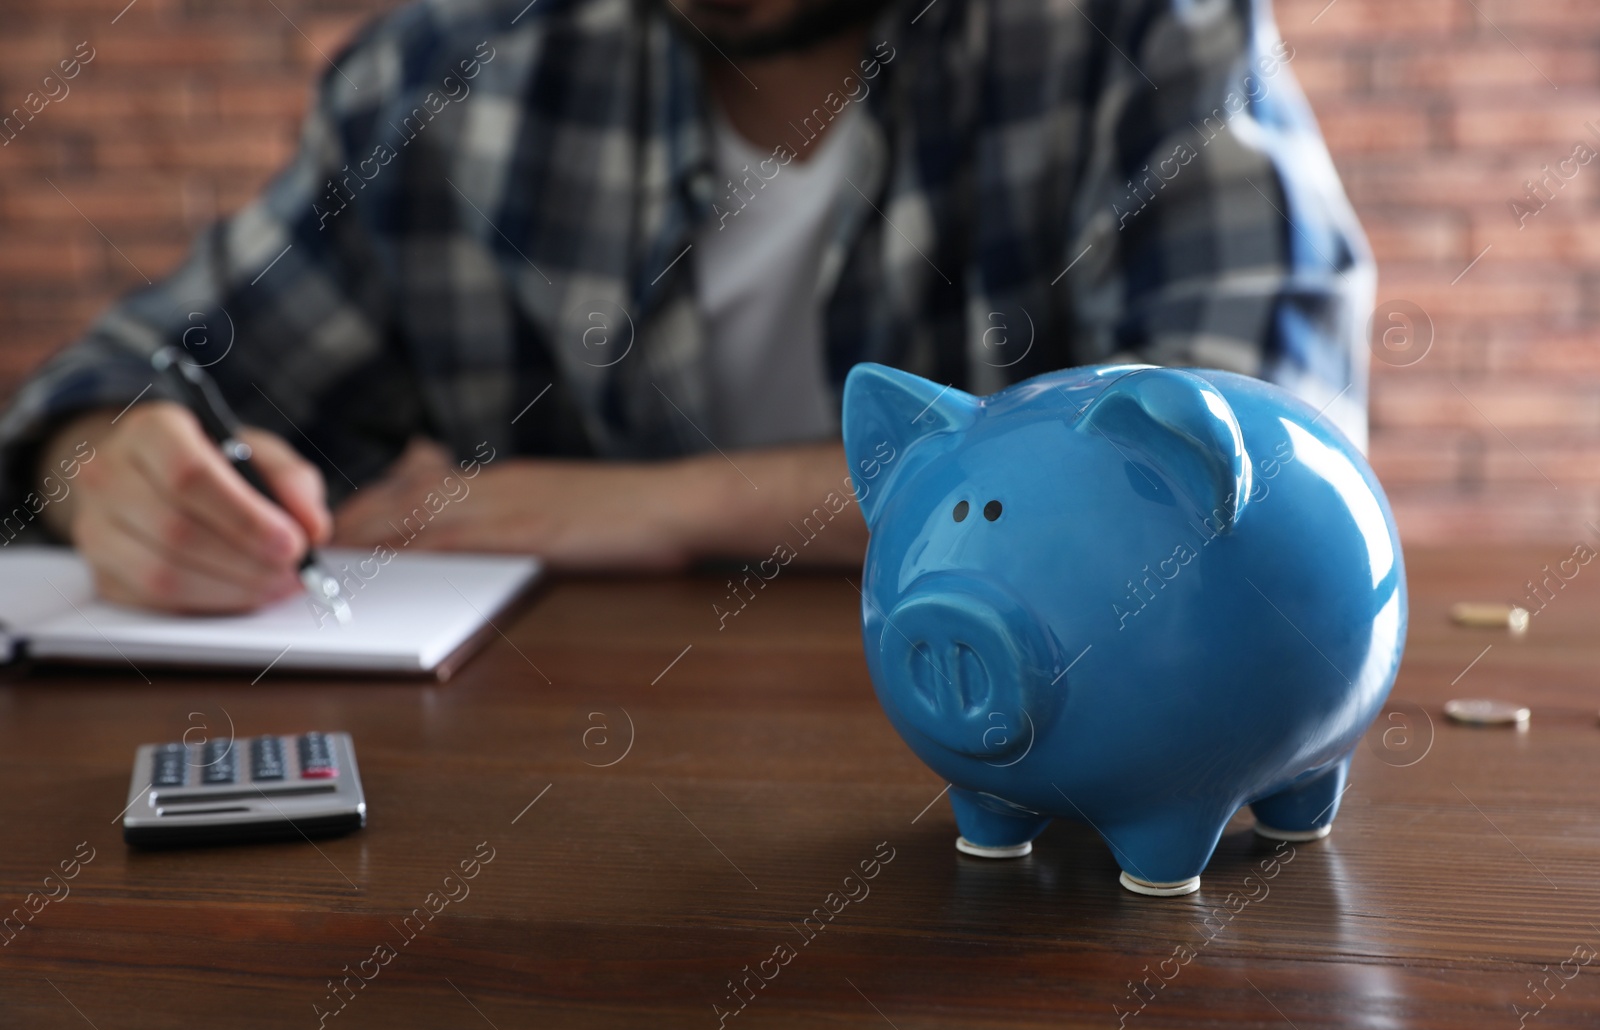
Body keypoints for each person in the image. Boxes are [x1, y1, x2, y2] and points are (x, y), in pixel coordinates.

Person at [0, 0, 1373, 613]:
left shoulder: (1142, 33)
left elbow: (1266, 460)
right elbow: (133, 374)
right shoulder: (453, 71)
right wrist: (99, 471)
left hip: (1043, 807)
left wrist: (674, 506)